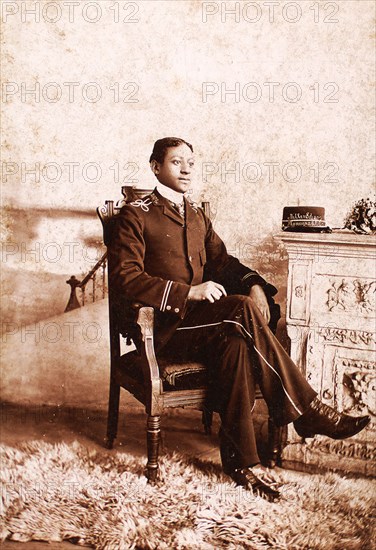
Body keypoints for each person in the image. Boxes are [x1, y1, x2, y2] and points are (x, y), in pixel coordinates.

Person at [108, 137, 370, 501]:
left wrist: (255, 284)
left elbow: (222, 263)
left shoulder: (196, 214)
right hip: (165, 328)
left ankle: (242, 464)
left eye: (191, 162)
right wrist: (189, 293)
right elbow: (126, 278)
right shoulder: (136, 214)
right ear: (155, 167)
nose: (186, 169)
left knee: (236, 340)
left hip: (205, 326)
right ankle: (307, 409)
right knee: (241, 311)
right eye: (176, 162)